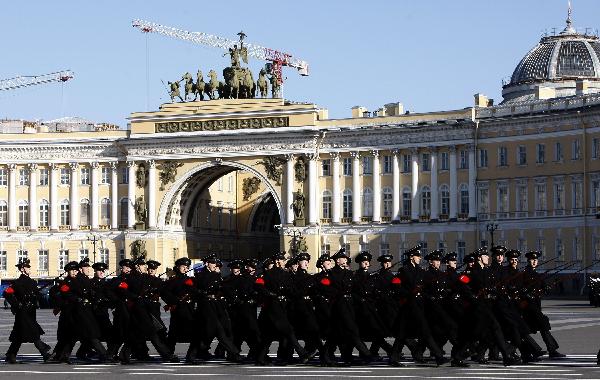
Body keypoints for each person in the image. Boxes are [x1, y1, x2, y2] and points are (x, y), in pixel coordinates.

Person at [3, 258, 51, 363]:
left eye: (29, 266)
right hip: (23, 312)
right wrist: (17, 304)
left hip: (31, 311)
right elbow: (6, 293)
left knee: (19, 335)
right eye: (27, 267)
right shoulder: (17, 283)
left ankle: (11, 355)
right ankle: (45, 353)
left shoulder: (32, 282)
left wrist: (38, 294)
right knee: (33, 332)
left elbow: (37, 295)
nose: (29, 268)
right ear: (22, 269)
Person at [520, 251, 565, 359]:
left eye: (536, 260)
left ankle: (547, 350)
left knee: (525, 330)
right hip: (528, 307)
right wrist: (526, 294)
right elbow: (520, 289)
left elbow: (542, 288)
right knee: (542, 324)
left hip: (535, 306)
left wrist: (546, 288)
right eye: (532, 259)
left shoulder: (537, 275)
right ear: (528, 261)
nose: (535, 261)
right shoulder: (523, 274)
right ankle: (550, 350)